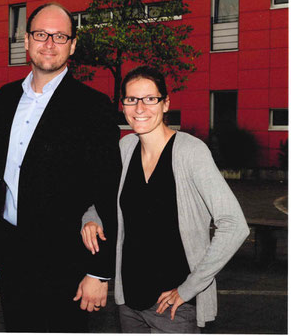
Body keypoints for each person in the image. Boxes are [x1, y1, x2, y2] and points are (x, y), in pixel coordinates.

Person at [81, 65, 250, 332]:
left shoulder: (190, 152)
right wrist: (91, 218)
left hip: (174, 308)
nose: (140, 108)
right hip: (129, 304)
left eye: (150, 99)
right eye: (131, 99)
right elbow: (100, 199)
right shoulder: (125, 149)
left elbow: (234, 224)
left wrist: (188, 289)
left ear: (165, 103)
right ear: (122, 105)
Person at [0, 2, 121, 332]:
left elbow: (108, 192)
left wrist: (99, 271)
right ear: (27, 41)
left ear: (73, 45)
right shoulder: (5, 99)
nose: (49, 44)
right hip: (13, 258)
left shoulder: (93, 107)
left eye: (60, 36)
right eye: (41, 34)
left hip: (67, 265)